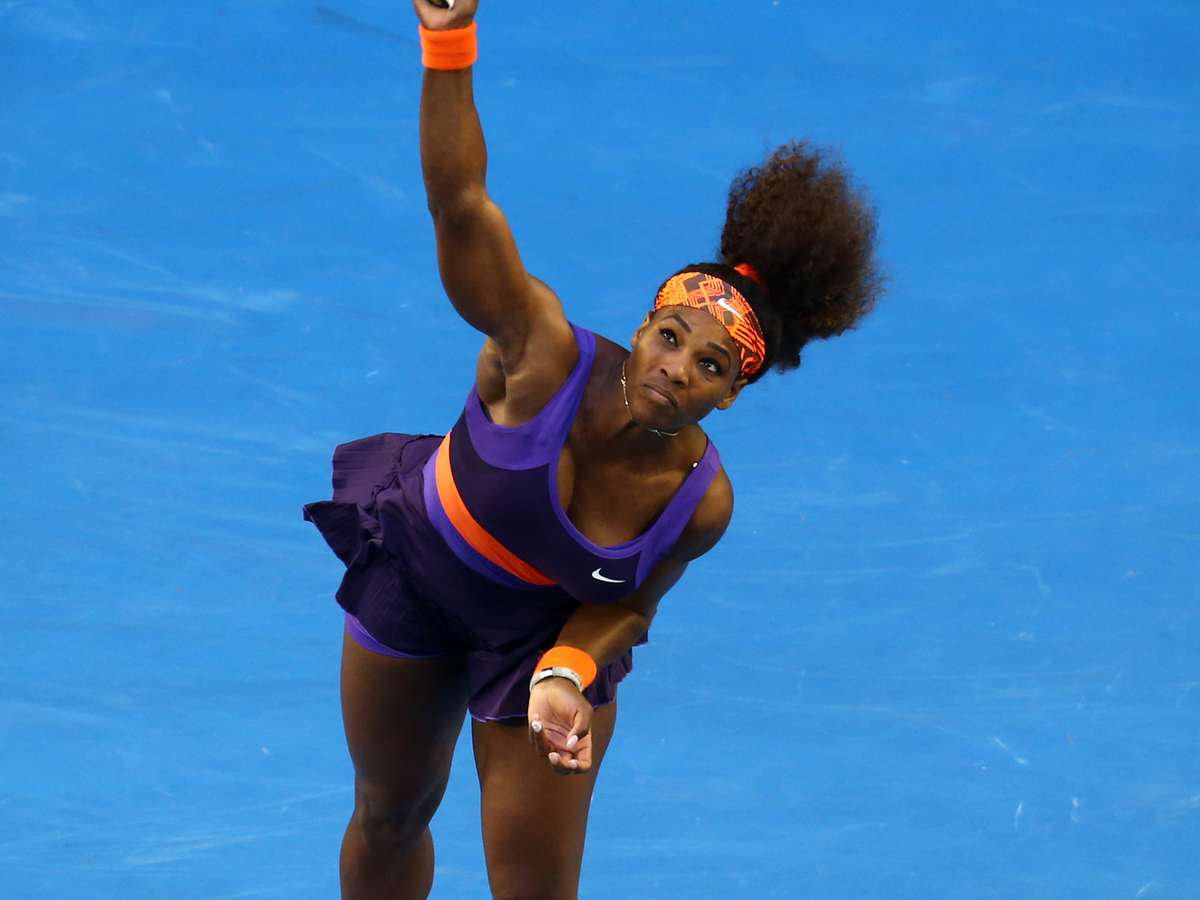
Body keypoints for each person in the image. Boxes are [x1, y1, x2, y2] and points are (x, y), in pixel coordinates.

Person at [302, 1, 883, 896]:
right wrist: (448, 42)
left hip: (537, 642)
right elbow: (461, 208)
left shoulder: (699, 500)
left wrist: (568, 671)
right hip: (418, 573)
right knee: (391, 811)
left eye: (710, 365)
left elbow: (632, 602)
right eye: (670, 337)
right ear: (643, 327)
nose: (677, 369)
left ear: (731, 393)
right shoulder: (539, 356)